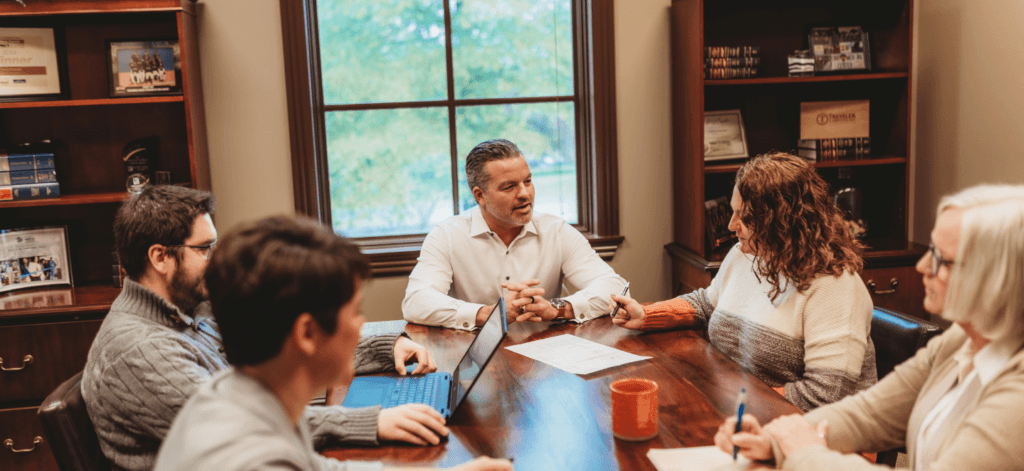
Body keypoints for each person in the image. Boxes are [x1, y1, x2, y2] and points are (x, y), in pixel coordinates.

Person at [83, 185, 446, 471]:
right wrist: (368, 422)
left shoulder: (196, 317)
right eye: (205, 248)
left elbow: (281, 347)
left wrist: (381, 348)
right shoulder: (141, 350)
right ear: (160, 257)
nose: (214, 258)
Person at [153, 216, 513, 471]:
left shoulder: (234, 392)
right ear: (307, 334)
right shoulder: (255, 460)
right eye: (354, 312)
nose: (361, 327)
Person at [714, 184, 1024, 470]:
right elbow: (870, 414)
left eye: (942, 259)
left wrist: (802, 450)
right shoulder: (963, 340)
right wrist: (772, 439)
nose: (922, 266)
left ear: (997, 278)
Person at [612, 152, 876, 411]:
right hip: (745, 410)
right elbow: (707, 304)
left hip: (816, 434)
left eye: (744, 216)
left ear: (782, 220)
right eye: (733, 211)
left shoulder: (834, 286)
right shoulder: (747, 254)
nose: (730, 225)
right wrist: (646, 314)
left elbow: (824, 396)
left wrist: (731, 407)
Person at [403, 139, 627, 330]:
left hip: (548, 357)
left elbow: (615, 287)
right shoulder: (447, 235)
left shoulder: (556, 231)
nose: (524, 194)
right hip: (475, 358)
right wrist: (487, 314)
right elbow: (416, 301)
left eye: (528, 181)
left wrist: (557, 308)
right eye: (509, 186)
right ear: (480, 195)